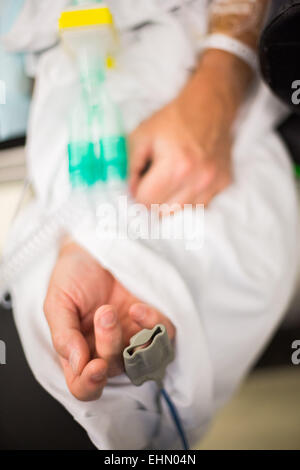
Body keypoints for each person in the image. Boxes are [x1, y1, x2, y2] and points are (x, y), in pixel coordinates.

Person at [2, 0, 299, 449]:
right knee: (64, 344)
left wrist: (224, 68)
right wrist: (86, 245)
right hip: (75, 105)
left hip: (200, 50)